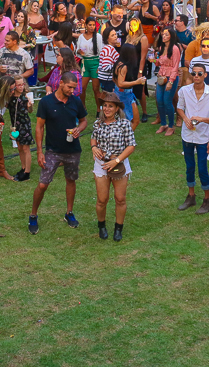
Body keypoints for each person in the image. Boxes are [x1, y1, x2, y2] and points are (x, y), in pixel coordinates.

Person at [29, 72, 89, 234]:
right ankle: (33, 215)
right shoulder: (46, 102)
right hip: (52, 150)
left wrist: (78, 129)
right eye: (69, 87)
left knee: (71, 181)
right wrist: (40, 152)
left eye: (74, 88)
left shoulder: (75, 101)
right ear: (61, 83)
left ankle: (69, 213)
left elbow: (84, 120)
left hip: (72, 150)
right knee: (43, 184)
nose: (72, 91)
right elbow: (39, 127)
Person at [176, 62, 209, 215]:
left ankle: (207, 200)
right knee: (189, 166)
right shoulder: (184, 91)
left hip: (203, 136)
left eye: (199, 73)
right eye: (194, 73)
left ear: (205, 75)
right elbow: (179, 107)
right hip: (188, 134)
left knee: (202, 168)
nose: (196, 76)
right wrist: (185, 119)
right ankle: (191, 196)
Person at [90, 92, 137, 241]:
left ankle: (118, 228)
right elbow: (93, 138)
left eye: (111, 106)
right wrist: (93, 148)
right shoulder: (98, 123)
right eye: (105, 105)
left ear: (117, 108)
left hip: (119, 164)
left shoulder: (124, 124)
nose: (107, 108)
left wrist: (116, 160)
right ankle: (101, 226)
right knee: (102, 199)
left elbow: (131, 146)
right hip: (101, 164)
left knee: (120, 198)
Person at [153, 27, 181, 136]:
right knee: (159, 100)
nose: (163, 36)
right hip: (161, 76)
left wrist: (171, 81)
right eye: (163, 34)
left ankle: (171, 125)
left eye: (166, 34)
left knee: (167, 101)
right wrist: (155, 60)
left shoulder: (175, 49)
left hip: (170, 77)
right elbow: (160, 63)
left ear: (171, 36)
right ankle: (163, 124)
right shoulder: (161, 47)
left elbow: (175, 66)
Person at [7, 77, 36, 182]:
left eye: (22, 84)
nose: (20, 87)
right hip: (15, 126)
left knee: (25, 148)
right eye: (18, 85)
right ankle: (23, 168)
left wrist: (30, 105)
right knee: (19, 147)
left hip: (24, 125)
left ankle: (27, 172)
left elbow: (30, 111)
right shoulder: (10, 97)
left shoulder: (25, 97)